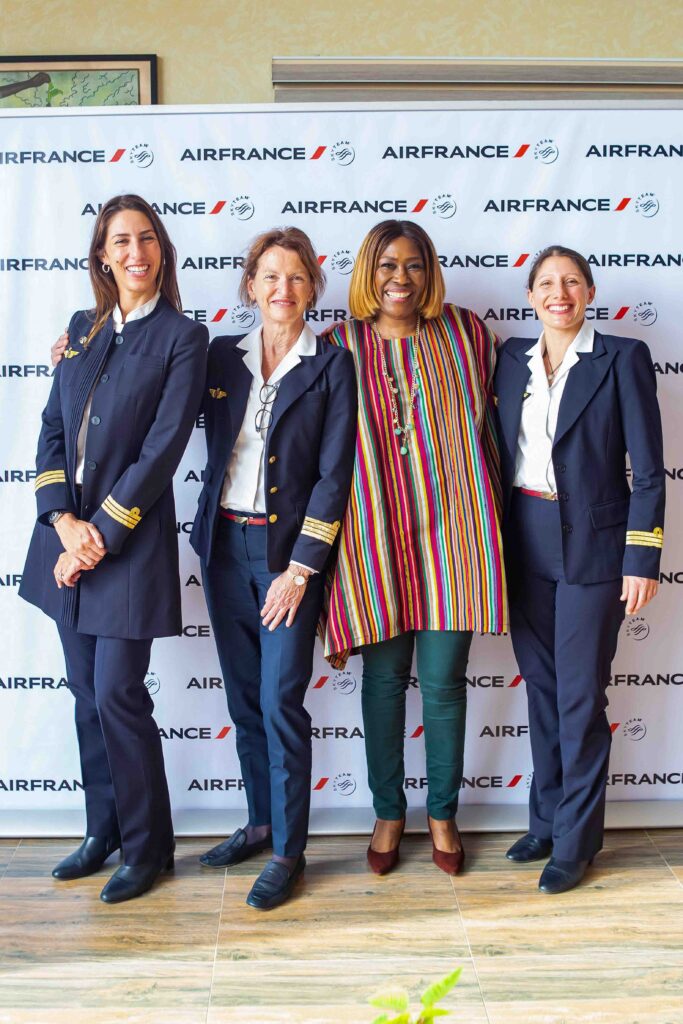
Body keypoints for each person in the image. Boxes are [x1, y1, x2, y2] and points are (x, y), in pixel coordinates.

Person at [21, 194, 208, 903]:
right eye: (121, 240)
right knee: (84, 697)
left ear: (162, 249)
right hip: (64, 544)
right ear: (102, 254)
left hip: (126, 549)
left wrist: (96, 534)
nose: (136, 252)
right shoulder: (82, 328)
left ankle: (147, 847)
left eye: (147, 238)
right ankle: (101, 831)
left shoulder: (183, 336)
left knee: (117, 695)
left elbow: (162, 450)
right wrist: (61, 522)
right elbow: (52, 430)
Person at [322, 220, 507, 875]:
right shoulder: (337, 345)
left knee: (443, 684)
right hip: (372, 537)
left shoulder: (467, 333)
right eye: (386, 265)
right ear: (367, 273)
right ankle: (387, 812)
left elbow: (519, 396)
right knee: (381, 683)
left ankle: (443, 815)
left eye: (414, 265)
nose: (400, 278)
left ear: (429, 273)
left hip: (456, 536)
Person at [190, 227, 357, 910]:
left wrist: (301, 568)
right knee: (242, 700)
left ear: (313, 286)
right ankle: (260, 823)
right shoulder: (218, 357)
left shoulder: (332, 366)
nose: (282, 288)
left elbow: (334, 475)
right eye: (269, 276)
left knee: (279, 700)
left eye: (295, 276)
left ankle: (289, 851)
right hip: (223, 548)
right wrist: (78, 356)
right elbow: (153, 399)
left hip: (288, 559)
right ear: (250, 286)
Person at [494, 245, 664, 894]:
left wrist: (641, 556)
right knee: (541, 689)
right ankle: (545, 820)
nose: (558, 293)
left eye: (570, 282)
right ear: (530, 296)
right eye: (545, 283)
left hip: (594, 548)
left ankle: (575, 841)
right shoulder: (510, 358)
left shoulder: (621, 357)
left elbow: (648, 472)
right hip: (522, 539)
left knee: (579, 697)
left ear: (589, 292)